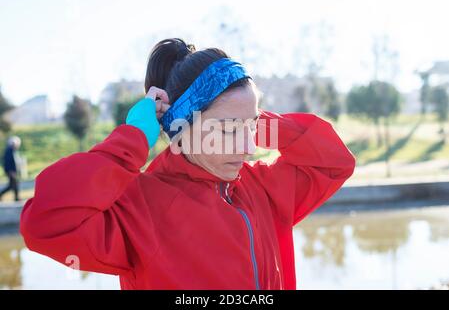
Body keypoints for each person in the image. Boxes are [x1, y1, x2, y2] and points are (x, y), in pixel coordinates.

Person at [20, 38, 356, 289]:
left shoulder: (259, 189)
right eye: (227, 130)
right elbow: (46, 222)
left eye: (252, 127)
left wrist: (248, 119)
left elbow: (333, 161)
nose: (249, 147)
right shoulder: (140, 209)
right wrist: (132, 138)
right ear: (181, 130)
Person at [0, 136, 21, 201]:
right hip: (10, 171)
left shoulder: (12, 150)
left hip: (12, 171)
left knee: (14, 184)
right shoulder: (9, 150)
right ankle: (16, 198)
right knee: (12, 185)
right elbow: (8, 162)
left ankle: (16, 197)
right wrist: (11, 171)